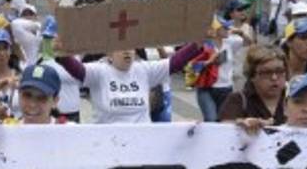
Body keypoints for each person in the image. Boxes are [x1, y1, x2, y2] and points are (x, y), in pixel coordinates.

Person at [56, 43, 198, 124]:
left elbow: (175, 62)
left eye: (130, 48)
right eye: (121, 48)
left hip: (140, 143)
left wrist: (198, 43)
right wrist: (63, 56)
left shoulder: (143, 69)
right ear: (109, 54)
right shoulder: (99, 71)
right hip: (108, 143)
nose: (127, 52)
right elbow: (77, 70)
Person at [219, 45, 288, 131]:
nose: (274, 77)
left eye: (279, 71)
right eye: (266, 72)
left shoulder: (295, 98)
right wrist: (241, 124)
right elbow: (224, 129)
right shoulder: (238, 100)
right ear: (252, 76)